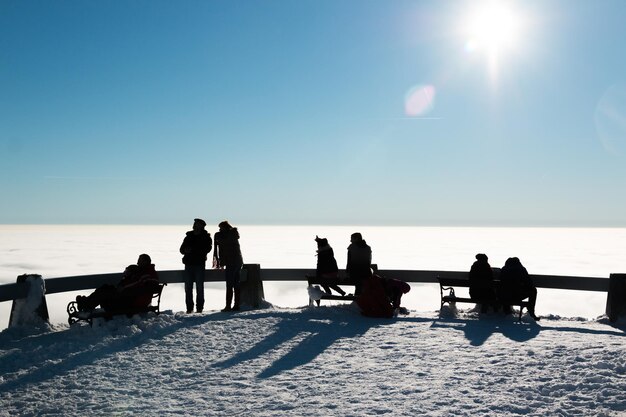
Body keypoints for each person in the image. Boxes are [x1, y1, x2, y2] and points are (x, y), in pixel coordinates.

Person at [76, 254, 160, 312]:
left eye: (139, 261)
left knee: (104, 292)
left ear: (145, 262)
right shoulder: (147, 272)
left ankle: (86, 304)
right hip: (131, 297)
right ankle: (87, 302)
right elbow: (136, 283)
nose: (137, 262)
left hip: (131, 301)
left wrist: (122, 287)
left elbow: (135, 283)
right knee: (105, 288)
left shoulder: (147, 273)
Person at [180, 218, 213, 313]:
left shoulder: (206, 237)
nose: (194, 225)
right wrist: (185, 250)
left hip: (199, 265)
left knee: (199, 287)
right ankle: (189, 308)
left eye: (196, 223)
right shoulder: (188, 236)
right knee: (188, 288)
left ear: (201, 226)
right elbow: (181, 249)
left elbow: (207, 249)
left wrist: (192, 250)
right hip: (189, 264)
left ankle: (199, 308)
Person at [213, 221, 244, 312]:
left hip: (232, 262)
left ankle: (229, 306)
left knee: (230, 284)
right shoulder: (232, 234)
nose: (219, 230)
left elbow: (225, 243)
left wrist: (218, 236)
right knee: (235, 284)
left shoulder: (230, 235)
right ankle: (235, 305)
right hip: (236, 261)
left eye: (221, 228)